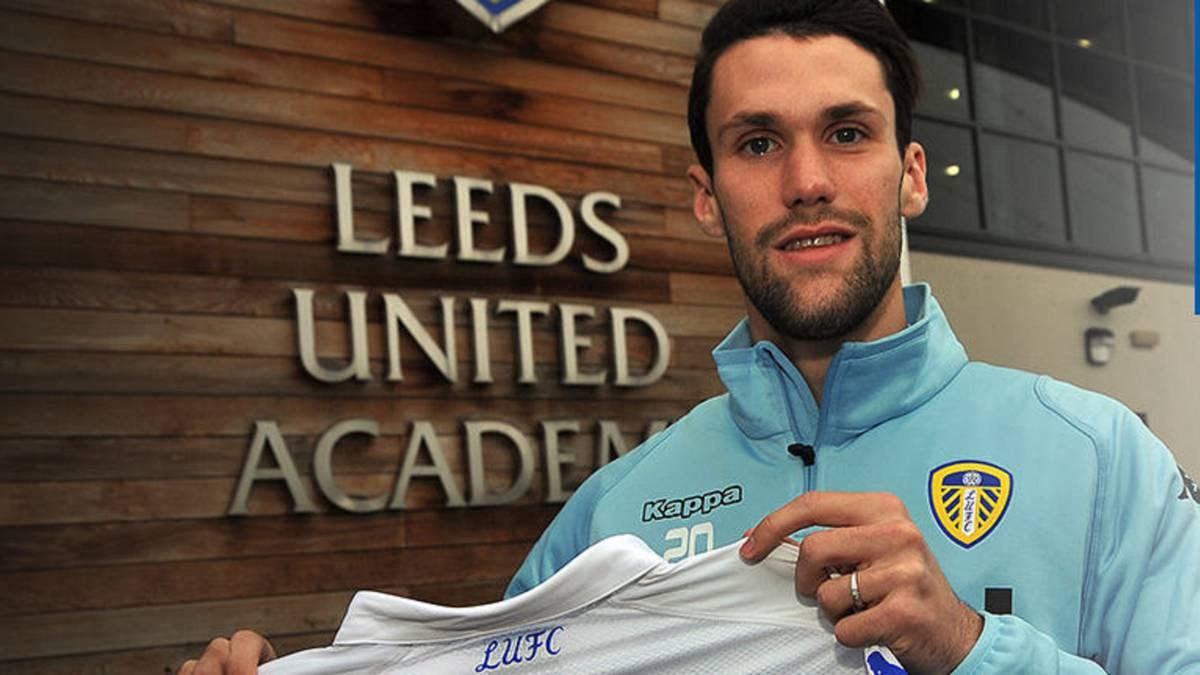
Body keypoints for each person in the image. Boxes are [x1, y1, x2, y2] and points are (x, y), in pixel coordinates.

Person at [180, 0, 1200, 673]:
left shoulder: (1103, 459)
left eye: (847, 133)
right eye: (759, 142)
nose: (807, 179)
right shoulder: (609, 515)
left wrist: (975, 649)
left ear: (914, 174)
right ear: (707, 197)